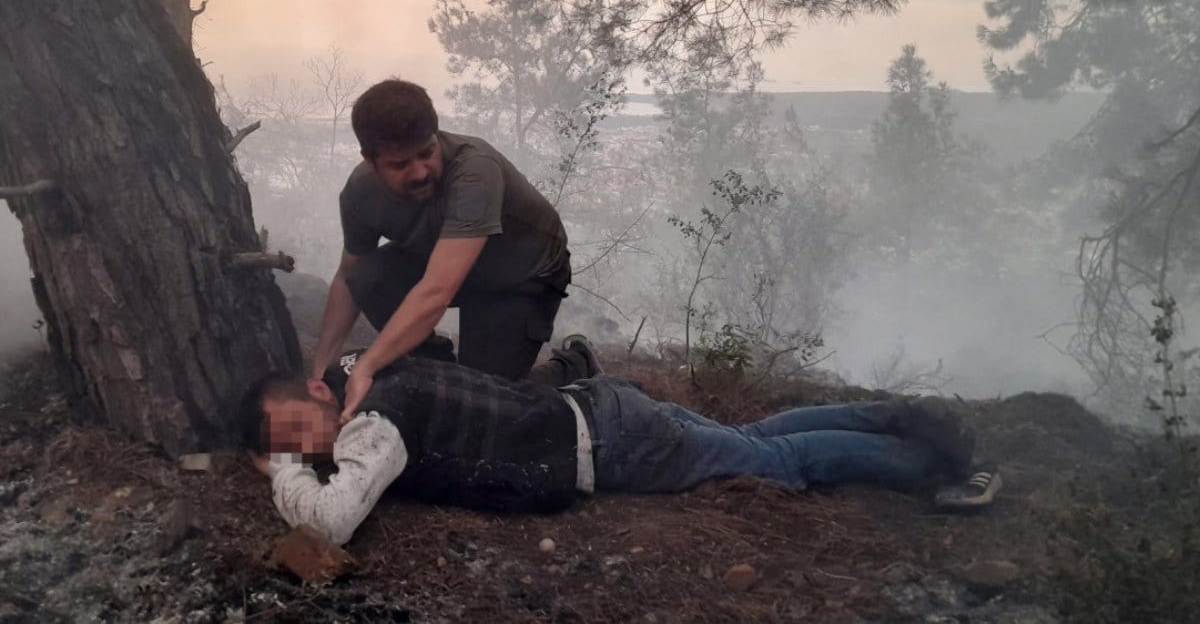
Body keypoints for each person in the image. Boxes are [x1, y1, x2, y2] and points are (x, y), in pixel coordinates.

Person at [241, 346, 1002, 547]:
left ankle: (937, 462)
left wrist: (278, 468)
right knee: (752, 438)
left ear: (314, 397)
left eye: (297, 434)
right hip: (604, 406)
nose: (308, 451)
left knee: (781, 464)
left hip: (610, 443)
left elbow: (331, 521)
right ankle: (898, 415)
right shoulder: (367, 367)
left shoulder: (373, 423)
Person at [309, 79, 576, 421]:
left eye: (426, 153)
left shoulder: (474, 171)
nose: (420, 172)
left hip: (522, 279)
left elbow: (437, 290)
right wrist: (319, 371)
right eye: (400, 164)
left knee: (486, 404)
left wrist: (367, 367)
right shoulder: (361, 194)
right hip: (450, 267)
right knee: (367, 275)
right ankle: (437, 372)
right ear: (371, 162)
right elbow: (348, 278)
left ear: (437, 136)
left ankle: (571, 365)